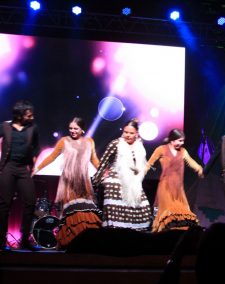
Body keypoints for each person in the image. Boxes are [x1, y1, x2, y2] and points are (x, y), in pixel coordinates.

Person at [32, 117, 102, 248]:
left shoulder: (89, 142)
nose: (73, 131)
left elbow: (94, 160)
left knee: (86, 209)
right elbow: (52, 157)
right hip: (69, 181)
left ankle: (87, 240)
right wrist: (37, 168)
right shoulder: (64, 141)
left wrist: (105, 172)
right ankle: (69, 240)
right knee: (71, 211)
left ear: (82, 130)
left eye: (76, 128)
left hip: (83, 181)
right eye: (70, 128)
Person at [91, 119, 152, 231]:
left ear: (137, 134)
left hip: (133, 181)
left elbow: (140, 165)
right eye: (126, 132)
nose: (128, 135)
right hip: (115, 178)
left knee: (144, 208)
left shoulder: (139, 146)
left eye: (131, 133)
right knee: (116, 204)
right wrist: (96, 181)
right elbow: (103, 163)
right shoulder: (115, 144)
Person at [145, 128, 203, 232]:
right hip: (165, 187)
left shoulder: (183, 151)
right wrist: (141, 173)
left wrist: (199, 169)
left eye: (183, 141)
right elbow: (149, 163)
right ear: (172, 140)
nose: (182, 143)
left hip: (178, 188)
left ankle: (177, 236)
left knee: (183, 211)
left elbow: (191, 162)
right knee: (169, 211)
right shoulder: (161, 149)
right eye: (180, 140)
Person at [0, 100, 40, 251]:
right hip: (8, 168)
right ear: (19, 115)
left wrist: (34, 164)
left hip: (24, 169)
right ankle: (1, 241)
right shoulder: (5, 126)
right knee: (4, 205)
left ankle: (24, 240)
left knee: (30, 202)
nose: (32, 117)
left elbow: (36, 147)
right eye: (29, 115)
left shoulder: (32, 128)